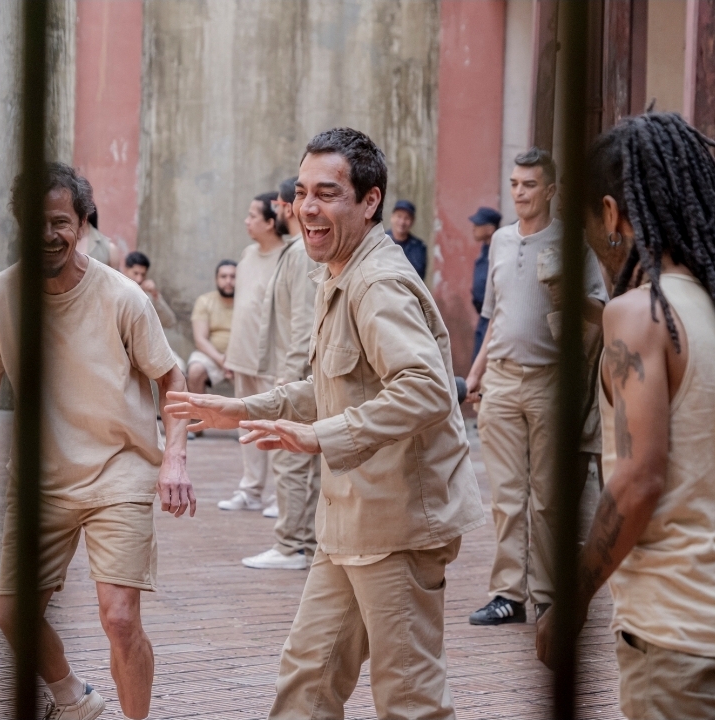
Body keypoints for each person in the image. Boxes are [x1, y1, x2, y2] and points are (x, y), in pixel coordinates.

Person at [166, 127, 485, 718]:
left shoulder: (377, 281)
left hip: (397, 524)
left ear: (370, 201)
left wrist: (320, 436)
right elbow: (337, 384)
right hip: (348, 523)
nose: (306, 207)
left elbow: (426, 389)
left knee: (408, 699)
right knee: (307, 681)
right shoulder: (338, 269)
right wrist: (242, 408)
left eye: (328, 193)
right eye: (301, 192)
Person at [535, 113, 715, 720]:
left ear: (612, 215)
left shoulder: (638, 315)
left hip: (673, 631)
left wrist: (572, 601)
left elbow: (638, 480)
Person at [0, 163, 194, 720]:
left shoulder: (122, 296)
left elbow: (172, 376)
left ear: (83, 224)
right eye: (35, 222)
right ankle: (73, 699)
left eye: (60, 222)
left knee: (120, 619)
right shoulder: (0, 295)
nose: (48, 234)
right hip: (41, 479)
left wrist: (174, 459)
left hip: (120, 468)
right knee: (12, 613)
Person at [464, 148, 608, 626]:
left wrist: (566, 290)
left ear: (550, 191)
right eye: (514, 184)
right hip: (502, 379)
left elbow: (602, 310)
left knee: (547, 498)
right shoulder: (500, 241)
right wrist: (477, 373)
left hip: (552, 381)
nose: (519, 192)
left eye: (529, 185)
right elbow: (493, 316)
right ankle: (508, 595)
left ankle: (547, 595)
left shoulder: (573, 243)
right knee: (507, 499)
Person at [241, 176, 321, 569]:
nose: (273, 207)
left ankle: (293, 546)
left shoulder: (303, 252)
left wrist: (289, 375)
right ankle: (303, 543)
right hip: (292, 371)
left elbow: (303, 321)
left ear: (287, 206)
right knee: (299, 461)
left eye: (277, 201)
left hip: (296, 374)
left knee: (292, 461)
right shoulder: (296, 249)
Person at [216, 192, 287, 512]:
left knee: (276, 425)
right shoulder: (247, 255)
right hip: (242, 356)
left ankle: (282, 495)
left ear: (271, 222)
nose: (246, 221)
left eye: (253, 216)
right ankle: (251, 490)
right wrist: (232, 356)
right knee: (246, 424)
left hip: (272, 360)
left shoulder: (289, 257)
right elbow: (243, 309)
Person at [187, 260, 236, 394]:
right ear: (216, 279)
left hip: (240, 356)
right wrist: (222, 361)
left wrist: (232, 360)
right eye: (223, 276)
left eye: (233, 276)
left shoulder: (248, 302)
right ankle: (199, 409)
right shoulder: (205, 301)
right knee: (195, 371)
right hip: (212, 355)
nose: (228, 281)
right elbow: (200, 340)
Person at [468, 206, 501, 362]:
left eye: (478, 224)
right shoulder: (485, 248)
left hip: (493, 318)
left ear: (490, 229)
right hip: (482, 315)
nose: (473, 228)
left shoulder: (499, 250)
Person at [123, 250, 178, 330]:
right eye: (135, 273)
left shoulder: (148, 294)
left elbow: (170, 322)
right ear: (125, 270)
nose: (139, 279)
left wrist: (155, 296)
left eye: (143, 274)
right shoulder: (116, 289)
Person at [386, 198, 427, 278]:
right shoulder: (380, 240)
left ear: (412, 221)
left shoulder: (419, 246)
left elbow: (418, 274)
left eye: (407, 218)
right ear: (392, 217)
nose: (402, 222)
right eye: (399, 216)